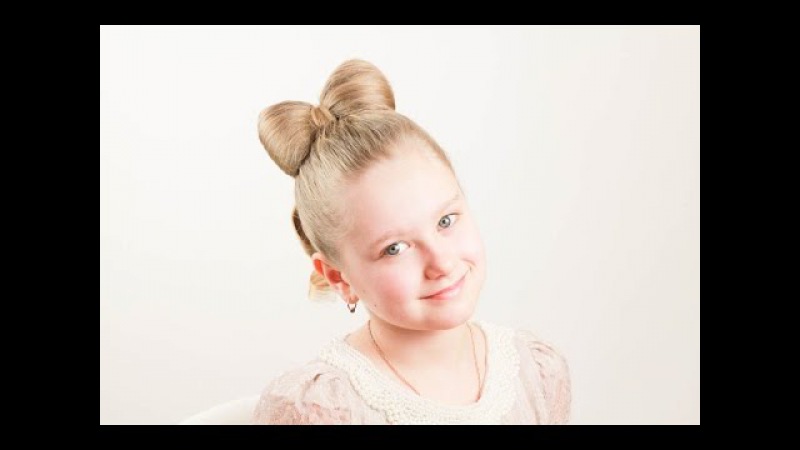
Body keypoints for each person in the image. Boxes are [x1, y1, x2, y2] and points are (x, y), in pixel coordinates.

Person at [251, 59, 571, 425]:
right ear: (339, 277)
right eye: (395, 248)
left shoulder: (534, 374)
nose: (442, 263)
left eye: (445, 221)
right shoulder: (320, 409)